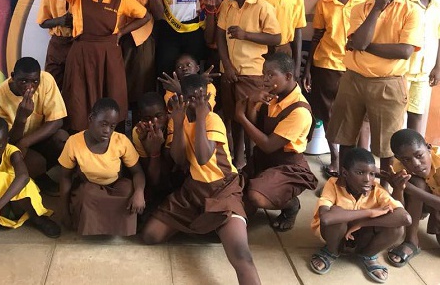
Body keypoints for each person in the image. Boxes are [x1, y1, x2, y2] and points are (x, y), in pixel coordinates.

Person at [142, 74, 261, 285]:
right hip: (194, 190)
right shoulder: (177, 119)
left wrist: (200, 116)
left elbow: (203, 157)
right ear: (184, 99)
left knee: (241, 256)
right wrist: (178, 124)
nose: (199, 103)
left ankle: (220, 223)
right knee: (150, 235)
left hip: (223, 189)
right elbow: (178, 158)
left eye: (202, 98)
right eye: (192, 99)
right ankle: (208, 224)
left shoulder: (212, 118)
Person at [326, 0, 422, 182]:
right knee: (345, 136)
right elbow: (357, 42)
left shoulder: (411, 11)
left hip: (388, 82)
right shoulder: (361, 8)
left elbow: (404, 51)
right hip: (353, 79)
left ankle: (384, 191)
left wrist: (364, 45)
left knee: (387, 145)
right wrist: (378, 8)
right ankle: (345, 184)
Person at [41, 0, 150, 131]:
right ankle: (79, 144)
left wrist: (122, 32)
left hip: (109, 55)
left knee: (113, 96)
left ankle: (112, 145)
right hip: (81, 55)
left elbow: (145, 16)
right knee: (78, 100)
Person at [302, 0, 371, 177]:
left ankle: (361, 162)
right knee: (329, 115)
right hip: (327, 63)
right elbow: (317, 36)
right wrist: (308, 70)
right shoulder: (324, 3)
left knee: (359, 114)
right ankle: (336, 160)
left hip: (357, 64)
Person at [235, 52, 318, 232]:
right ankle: (264, 187)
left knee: (256, 196)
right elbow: (256, 124)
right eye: (264, 73)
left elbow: (267, 144)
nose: (265, 79)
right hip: (264, 159)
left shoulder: (299, 111)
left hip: (287, 165)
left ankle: (290, 205)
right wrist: (252, 102)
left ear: (288, 76)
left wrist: (241, 118)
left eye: (271, 74)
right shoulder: (274, 94)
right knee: (237, 204)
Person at [310, 148, 409, 283]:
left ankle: (368, 255)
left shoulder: (377, 190)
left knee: (398, 229)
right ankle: (331, 251)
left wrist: (361, 223)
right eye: (360, 173)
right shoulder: (333, 184)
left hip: (363, 236)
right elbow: (326, 218)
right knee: (336, 221)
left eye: (372, 174)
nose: (367, 179)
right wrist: (370, 212)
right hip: (336, 234)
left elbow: (404, 218)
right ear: (345, 173)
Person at [217, 0, 281, 169]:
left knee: (250, 120)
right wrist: (226, 65)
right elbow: (220, 35)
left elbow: (276, 37)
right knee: (233, 117)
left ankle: (253, 161)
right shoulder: (227, 5)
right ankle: (239, 158)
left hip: (252, 73)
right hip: (229, 73)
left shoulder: (263, 7)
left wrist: (246, 35)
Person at [0, 116, 60, 249]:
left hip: (19, 206)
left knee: (23, 183)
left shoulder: (12, 152)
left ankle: (36, 218)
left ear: (7, 142)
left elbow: (23, 177)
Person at [58, 98, 146, 236]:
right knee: (86, 195)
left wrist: (139, 193)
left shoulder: (121, 141)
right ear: (91, 118)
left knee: (128, 190)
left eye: (112, 126)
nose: (107, 131)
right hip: (90, 187)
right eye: (103, 124)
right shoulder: (74, 142)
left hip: (116, 186)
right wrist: (64, 212)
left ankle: (116, 226)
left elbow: (137, 172)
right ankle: (97, 225)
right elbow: (65, 177)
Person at [0, 57, 68, 195]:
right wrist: (21, 118)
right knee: (37, 163)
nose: (30, 87)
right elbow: (5, 142)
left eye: (34, 81)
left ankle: (39, 176)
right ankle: (38, 179)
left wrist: (26, 142)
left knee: (62, 138)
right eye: (23, 81)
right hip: (13, 146)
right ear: (12, 77)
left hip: (35, 140)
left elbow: (57, 121)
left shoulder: (46, 80)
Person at [112, 0, 164, 117]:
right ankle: (117, 133)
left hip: (142, 38)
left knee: (141, 88)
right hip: (115, 36)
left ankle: (137, 133)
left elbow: (158, 14)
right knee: (116, 87)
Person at [383, 129, 440, 267]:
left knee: (413, 186)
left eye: (419, 155)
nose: (415, 163)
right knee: (416, 182)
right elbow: (399, 209)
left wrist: (409, 189)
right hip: (432, 199)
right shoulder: (399, 167)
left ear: (428, 147)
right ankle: (411, 241)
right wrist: (399, 188)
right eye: (406, 159)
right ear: (398, 158)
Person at [405, 0, 440, 133]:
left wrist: (438, 67)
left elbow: (438, 38)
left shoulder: (437, 8)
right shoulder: (405, 5)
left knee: (417, 112)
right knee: (397, 113)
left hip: (425, 71)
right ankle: (392, 154)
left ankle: (413, 151)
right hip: (403, 70)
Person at [37, 0, 78, 90]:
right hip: (57, 43)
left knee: (75, 86)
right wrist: (60, 21)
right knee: (51, 85)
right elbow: (42, 22)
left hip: (77, 43)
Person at [202, 0, 228, 105]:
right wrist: (210, 11)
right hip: (206, 53)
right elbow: (208, 38)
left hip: (227, 54)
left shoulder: (230, 2)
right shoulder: (200, 1)